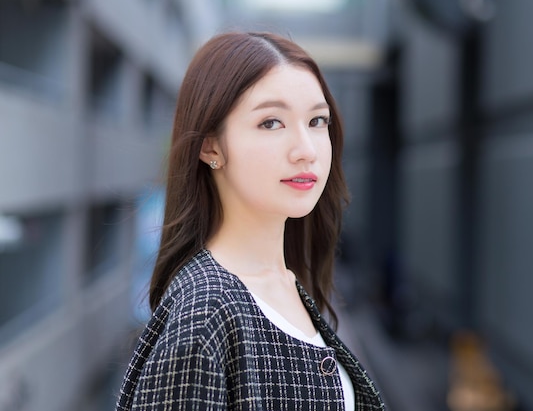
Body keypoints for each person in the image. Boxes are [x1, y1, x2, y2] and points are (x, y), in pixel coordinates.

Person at [116, 31, 386, 411]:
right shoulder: (204, 316)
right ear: (211, 147)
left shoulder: (285, 280)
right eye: (272, 123)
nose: (306, 150)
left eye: (317, 121)